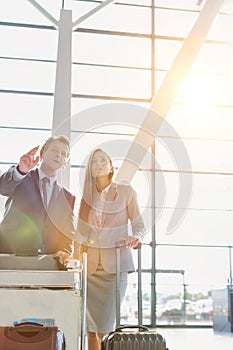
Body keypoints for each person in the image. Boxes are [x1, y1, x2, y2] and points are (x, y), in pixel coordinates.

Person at [77, 148, 145, 350]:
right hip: (89, 270)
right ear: (90, 169)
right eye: (94, 161)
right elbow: (80, 232)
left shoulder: (125, 192)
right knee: (90, 329)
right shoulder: (86, 198)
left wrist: (136, 237)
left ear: (110, 166)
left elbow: (139, 224)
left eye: (103, 160)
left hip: (114, 268)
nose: (99, 163)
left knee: (104, 330)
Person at [0, 135, 76, 260]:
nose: (59, 155)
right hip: (10, 256)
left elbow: (67, 234)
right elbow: (3, 188)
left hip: (46, 264)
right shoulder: (22, 177)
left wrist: (65, 253)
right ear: (42, 153)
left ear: (65, 164)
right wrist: (20, 170)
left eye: (63, 153)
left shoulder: (68, 197)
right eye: (54, 150)